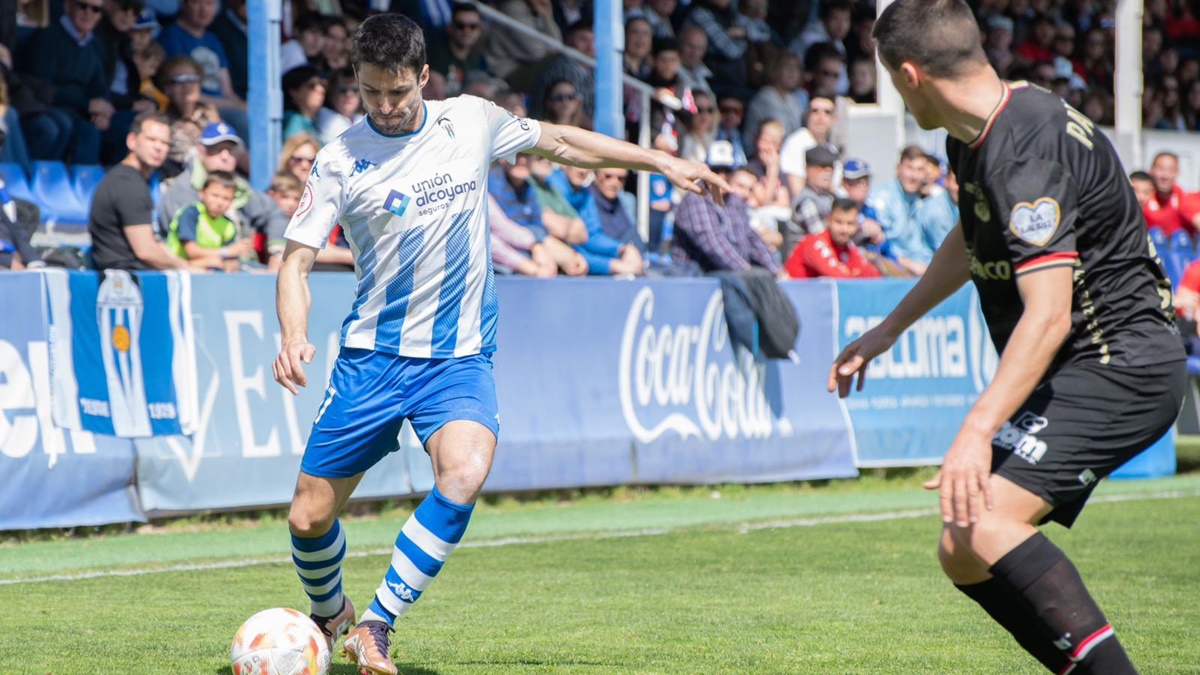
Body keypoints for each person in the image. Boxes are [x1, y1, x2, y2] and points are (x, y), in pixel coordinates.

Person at [271, 15, 729, 675]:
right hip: (373, 359)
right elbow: (295, 262)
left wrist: (656, 158)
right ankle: (330, 611)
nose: (387, 106)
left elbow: (563, 142)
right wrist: (293, 335)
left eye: (399, 92)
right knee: (309, 517)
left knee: (464, 470)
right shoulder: (341, 157)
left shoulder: (470, 120)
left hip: (458, 356)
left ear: (424, 77)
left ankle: (376, 623)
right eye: (373, 93)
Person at [830, 2, 1185, 674]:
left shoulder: (1025, 143)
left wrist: (974, 428)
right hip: (1085, 366)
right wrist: (887, 328)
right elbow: (972, 238)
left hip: (1120, 364)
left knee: (985, 521)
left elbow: (1048, 316)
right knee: (962, 543)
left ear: (910, 76)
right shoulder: (977, 133)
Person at [160, 121, 289, 270]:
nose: (225, 156)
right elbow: (186, 250)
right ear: (201, 151)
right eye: (217, 150)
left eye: (230, 150)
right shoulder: (183, 190)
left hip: (235, 267)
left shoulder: (240, 187)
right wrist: (227, 253)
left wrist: (276, 252)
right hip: (191, 271)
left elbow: (274, 212)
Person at [89, 111, 186, 271]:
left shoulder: (134, 180)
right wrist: (187, 268)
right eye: (151, 139)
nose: (158, 147)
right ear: (132, 141)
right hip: (125, 281)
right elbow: (146, 251)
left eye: (165, 143)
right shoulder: (128, 184)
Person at [670, 141, 782, 277]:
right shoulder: (696, 197)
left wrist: (778, 271)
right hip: (694, 275)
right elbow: (712, 242)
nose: (722, 176)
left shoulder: (733, 200)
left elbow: (751, 239)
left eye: (727, 171)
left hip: (726, 272)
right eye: (716, 170)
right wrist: (746, 271)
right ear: (706, 171)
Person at [166, 169, 253, 270]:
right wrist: (226, 252)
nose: (219, 202)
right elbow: (191, 251)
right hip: (179, 268)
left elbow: (230, 260)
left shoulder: (228, 225)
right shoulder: (190, 214)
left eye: (226, 198)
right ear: (202, 193)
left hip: (210, 269)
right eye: (215, 195)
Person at [786, 197, 879, 278]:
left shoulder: (848, 247)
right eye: (839, 222)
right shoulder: (814, 243)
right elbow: (839, 278)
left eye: (850, 223)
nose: (844, 230)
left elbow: (873, 275)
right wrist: (855, 273)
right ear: (829, 220)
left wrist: (853, 273)